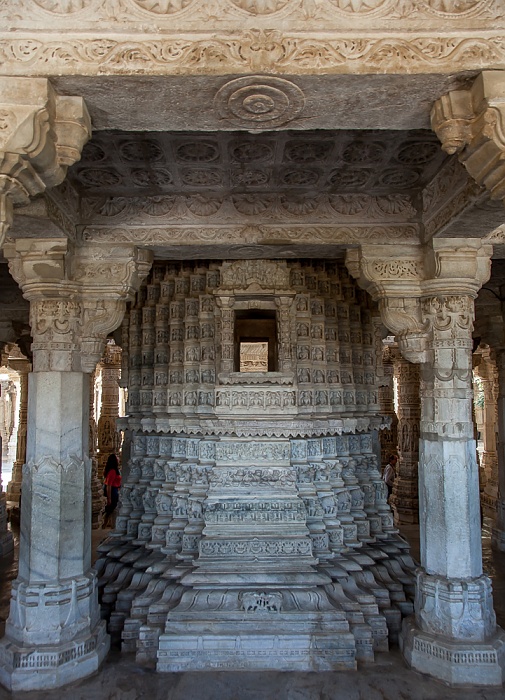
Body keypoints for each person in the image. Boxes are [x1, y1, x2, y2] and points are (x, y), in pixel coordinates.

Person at [103, 453, 121, 528]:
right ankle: (105, 524)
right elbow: (109, 485)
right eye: (117, 457)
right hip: (112, 490)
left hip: (115, 489)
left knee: (111, 508)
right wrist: (109, 498)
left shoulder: (115, 470)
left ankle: (108, 523)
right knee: (111, 508)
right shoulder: (112, 471)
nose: (119, 458)